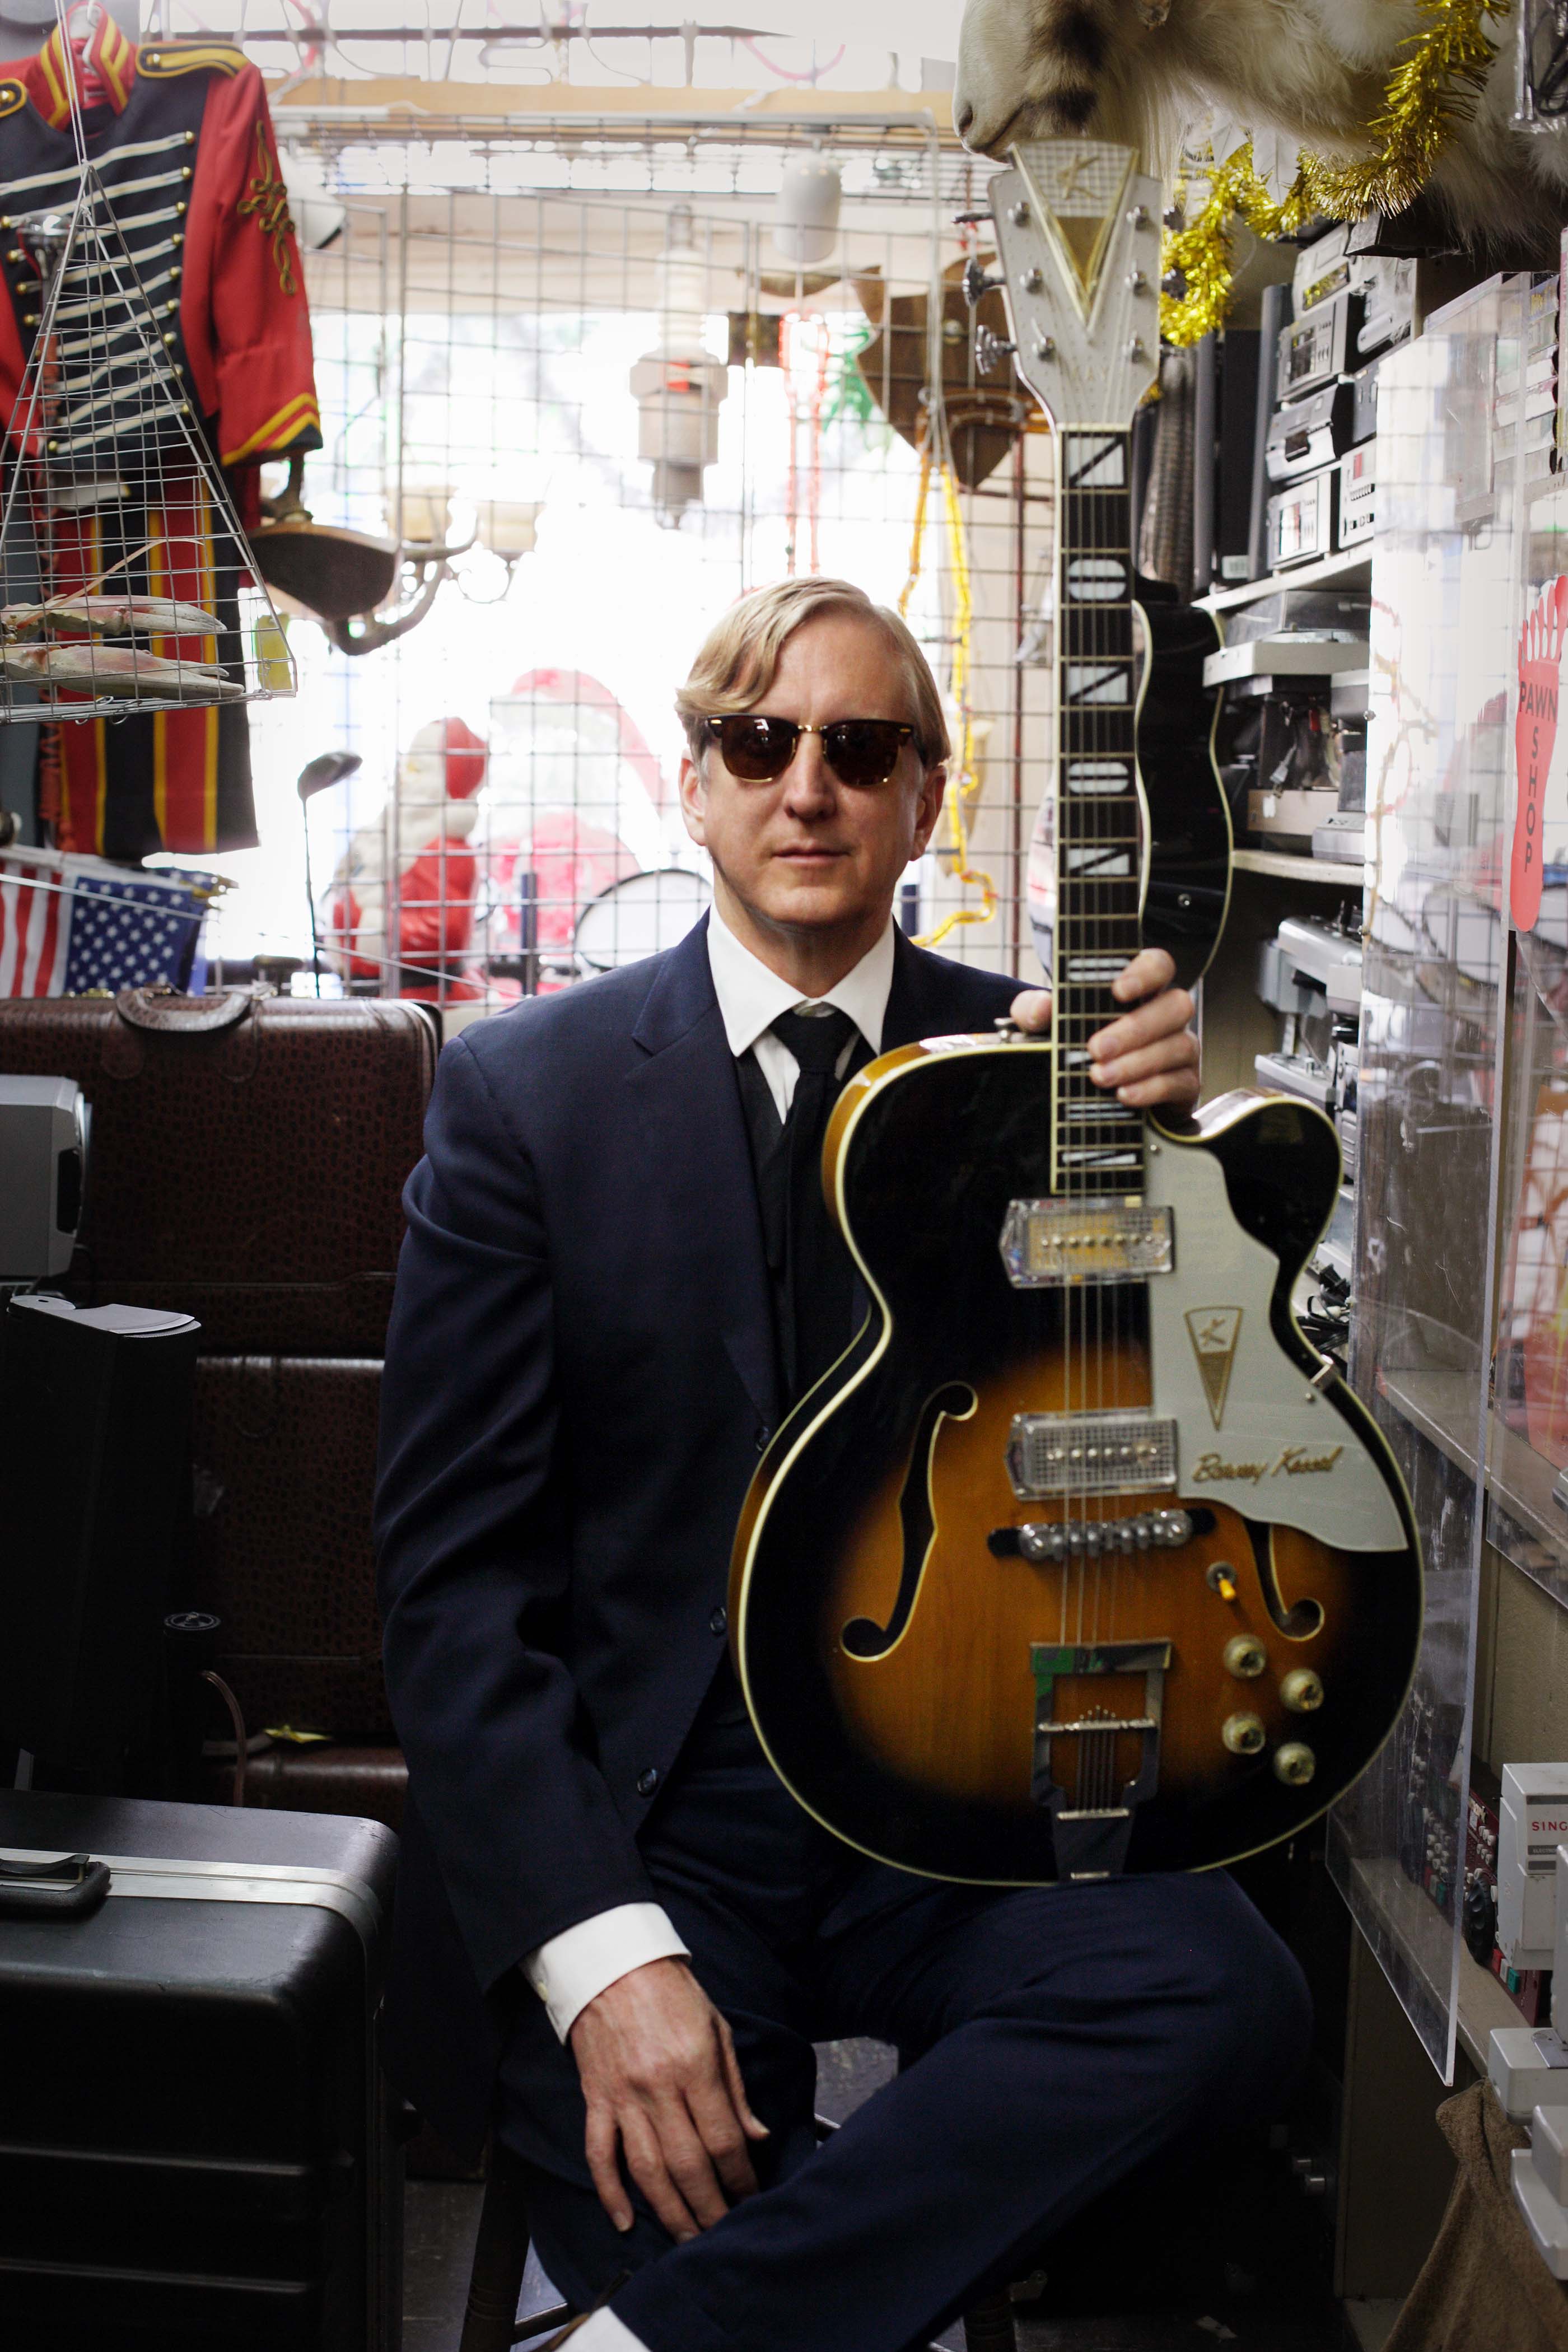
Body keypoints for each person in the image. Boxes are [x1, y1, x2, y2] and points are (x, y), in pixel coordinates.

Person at [375, 577, 1310, 2352]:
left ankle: (657, 2342)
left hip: (956, 1809)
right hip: (659, 1821)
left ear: (925, 799)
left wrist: (1190, 1177)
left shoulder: (1050, 1072)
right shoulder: (523, 1097)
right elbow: (450, 1592)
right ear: (696, 783)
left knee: (1223, 1993)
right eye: (760, 742)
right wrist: (605, 1959)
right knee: (693, 2180)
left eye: (862, 749)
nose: (807, 787)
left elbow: (1201, 1449)